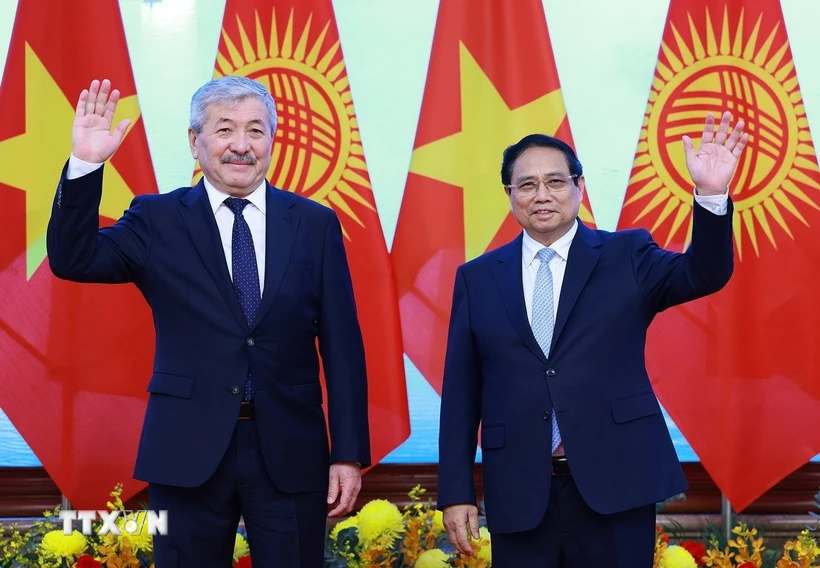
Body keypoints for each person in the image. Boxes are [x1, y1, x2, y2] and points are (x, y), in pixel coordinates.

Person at [47, 76, 370, 567]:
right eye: (224, 130)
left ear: (272, 142)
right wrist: (87, 163)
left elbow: (344, 348)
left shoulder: (314, 223)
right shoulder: (156, 218)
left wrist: (346, 452)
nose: (241, 146)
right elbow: (73, 258)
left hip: (290, 450)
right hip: (184, 450)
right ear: (195, 141)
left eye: (256, 131)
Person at [437, 112, 748, 567]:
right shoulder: (478, 278)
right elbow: (461, 395)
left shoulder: (627, 254)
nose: (542, 195)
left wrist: (712, 194)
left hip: (617, 484)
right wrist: (456, 492)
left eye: (555, 181)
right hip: (520, 490)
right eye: (527, 185)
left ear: (578, 188)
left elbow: (704, 273)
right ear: (510, 196)